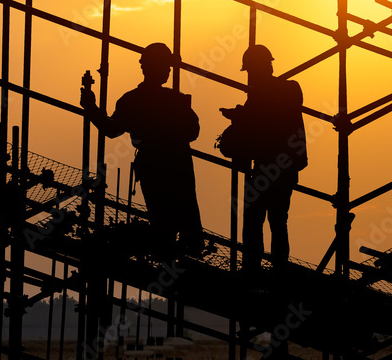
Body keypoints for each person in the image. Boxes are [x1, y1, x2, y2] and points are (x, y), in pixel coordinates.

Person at [80, 42, 204, 256]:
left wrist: (91, 108)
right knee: (186, 221)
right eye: (166, 66)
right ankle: (182, 260)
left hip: (154, 163)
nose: (168, 71)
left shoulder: (133, 100)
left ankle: (169, 255)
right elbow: (193, 132)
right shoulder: (173, 99)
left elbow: (112, 129)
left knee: (163, 221)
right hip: (176, 162)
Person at [220, 44, 308, 274]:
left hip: (272, 166)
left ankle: (253, 269)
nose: (249, 77)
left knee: (256, 218)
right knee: (276, 221)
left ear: (260, 69)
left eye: (250, 71)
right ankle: (275, 269)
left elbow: (265, 116)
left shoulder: (283, 90)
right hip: (282, 167)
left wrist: (239, 116)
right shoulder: (281, 90)